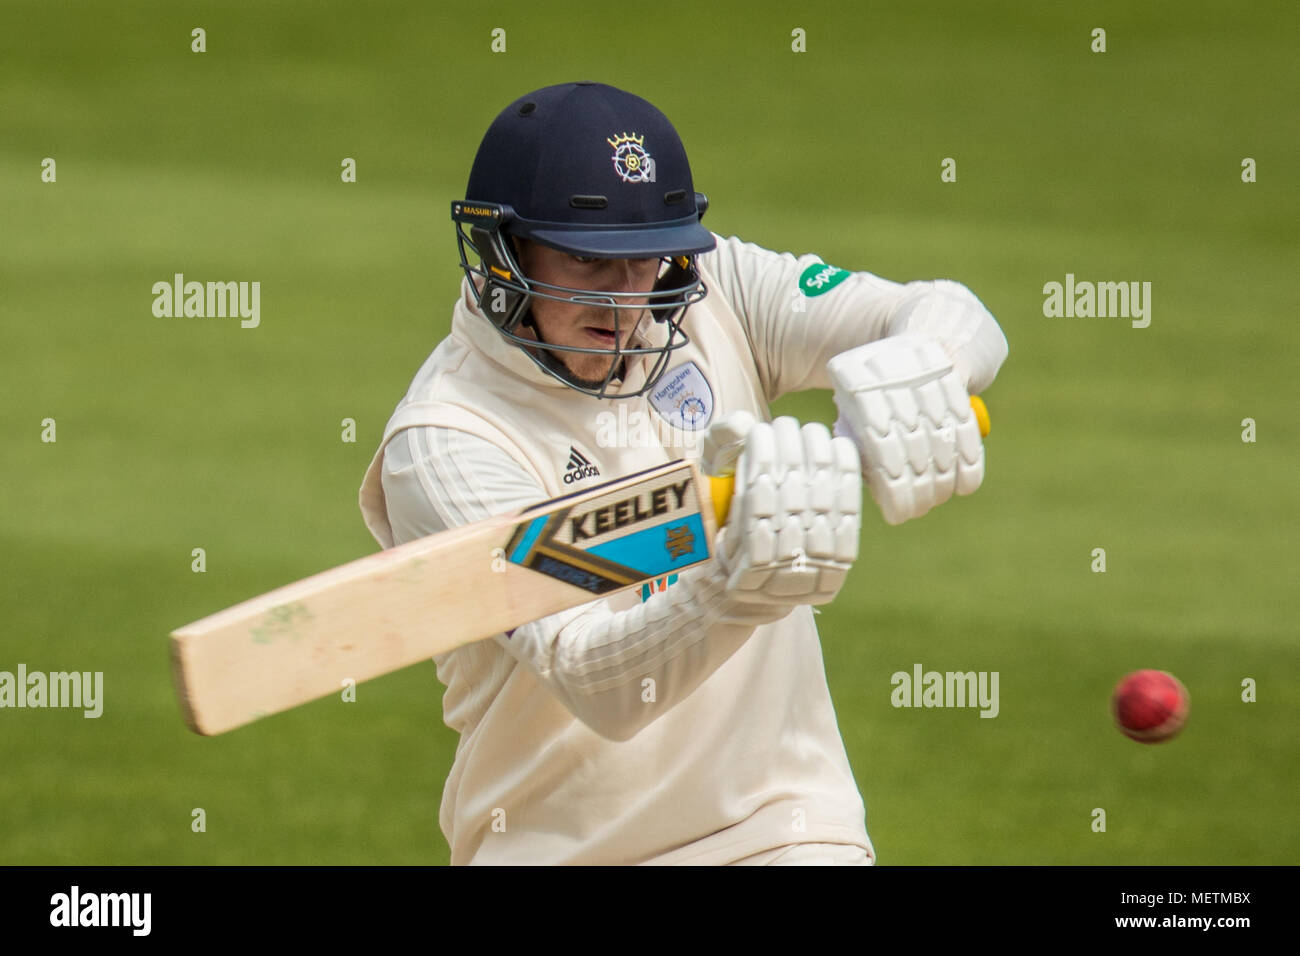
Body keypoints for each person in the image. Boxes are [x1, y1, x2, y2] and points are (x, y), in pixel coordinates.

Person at [359, 81, 1008, 865]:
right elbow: (593, 679)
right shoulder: (446, 441)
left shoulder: (709, 292)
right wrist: (735, 585)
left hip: (785, 829)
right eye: (585, 262)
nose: (626, 300)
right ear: (502, 251)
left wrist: (920, 371)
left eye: (645, 261)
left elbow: (946, 311)